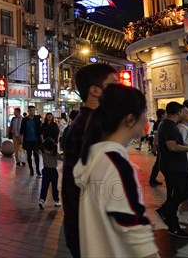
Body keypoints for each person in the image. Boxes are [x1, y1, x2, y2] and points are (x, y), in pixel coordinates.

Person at [74, 84, 158, 258]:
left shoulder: (94, 156)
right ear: (130, 119)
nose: (147, 118)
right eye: (145, 111)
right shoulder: (116, 164)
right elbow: (135, 230)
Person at [61, 63, 118, 258]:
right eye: (113, 85)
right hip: (91, 233)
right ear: (95, 90)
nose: (120, 91)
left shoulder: (93, 123)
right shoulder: (88, 128)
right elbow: (87, 188)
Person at [156, 101, 188, 239]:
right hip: (172, 167)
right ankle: (173, 225)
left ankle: (165, 212)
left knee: (184, 192)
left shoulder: (169, 126)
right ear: (178, 113)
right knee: (177, 195)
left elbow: (176, 144)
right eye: (184, 112)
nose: (187, 115)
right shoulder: (169, 126)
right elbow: (173, 146)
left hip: (176, 166)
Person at [19, 106, 42, 177]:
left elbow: (40, 130)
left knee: (36, 155)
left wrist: (41, 140)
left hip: (36, 140)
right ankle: (31, 170)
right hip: (27, 140)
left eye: (33, 110)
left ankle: (38, 170)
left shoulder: (37, 119)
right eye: (31, 110)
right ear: (28, 111)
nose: (32, 112)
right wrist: (21, 141)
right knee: (29, 155)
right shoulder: (24, 120)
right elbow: (22, 131)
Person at [38, 138, 61, 210]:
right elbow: (62, 158)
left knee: (44, 186)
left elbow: (40, 147)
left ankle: (42, 200)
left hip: (45, 171)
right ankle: (56, 200)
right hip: (53, 172)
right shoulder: (55, 154)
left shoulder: (43, 153)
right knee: (54, 187)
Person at [149, 109, 166, 187]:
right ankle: (152, 179)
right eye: (165, 113)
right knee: (159, 163)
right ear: (162, 115)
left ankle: (152, 179)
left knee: (158, 163)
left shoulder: (162, 123)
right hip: (160, 146)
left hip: (160, 145)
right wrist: (155, 147)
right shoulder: (157, 124)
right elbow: (156, 136)